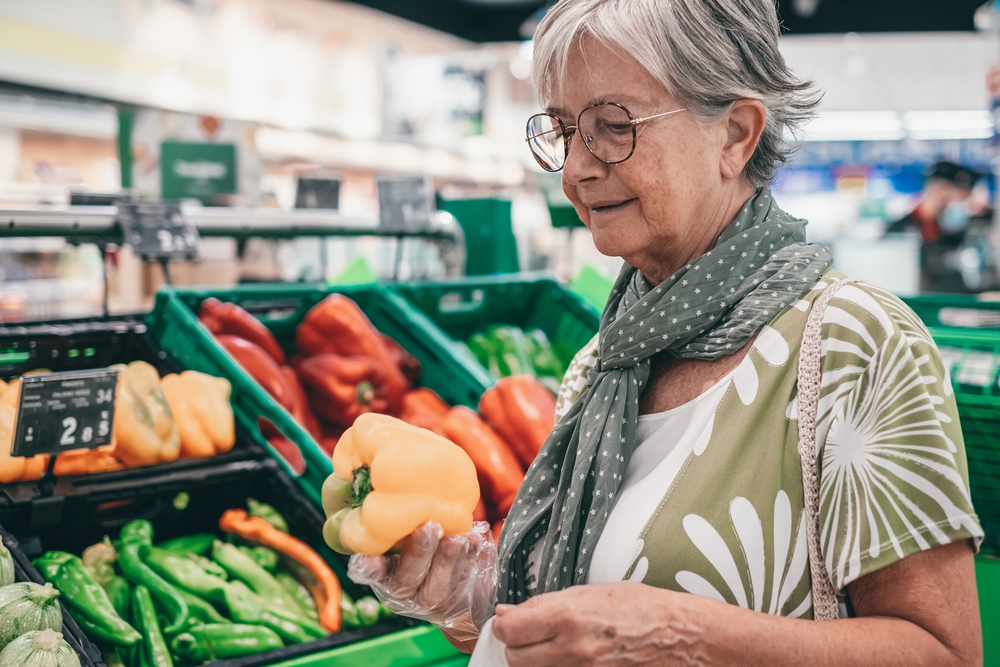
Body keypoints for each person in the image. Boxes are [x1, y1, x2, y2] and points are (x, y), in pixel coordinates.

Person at [349, 1, 985, 664]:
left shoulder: (856, 343)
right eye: (565, 131)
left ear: (736, 135)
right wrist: (464, 600)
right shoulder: (603, 364)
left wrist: (688, 635)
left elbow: (945, 652)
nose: (575, 170)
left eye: (612, 127)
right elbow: (592, 629)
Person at [886, 161, 981, 293]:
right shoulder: (901, 232)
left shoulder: (939, 230)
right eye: (959, 199)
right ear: (942, 190)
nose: (962, 207)